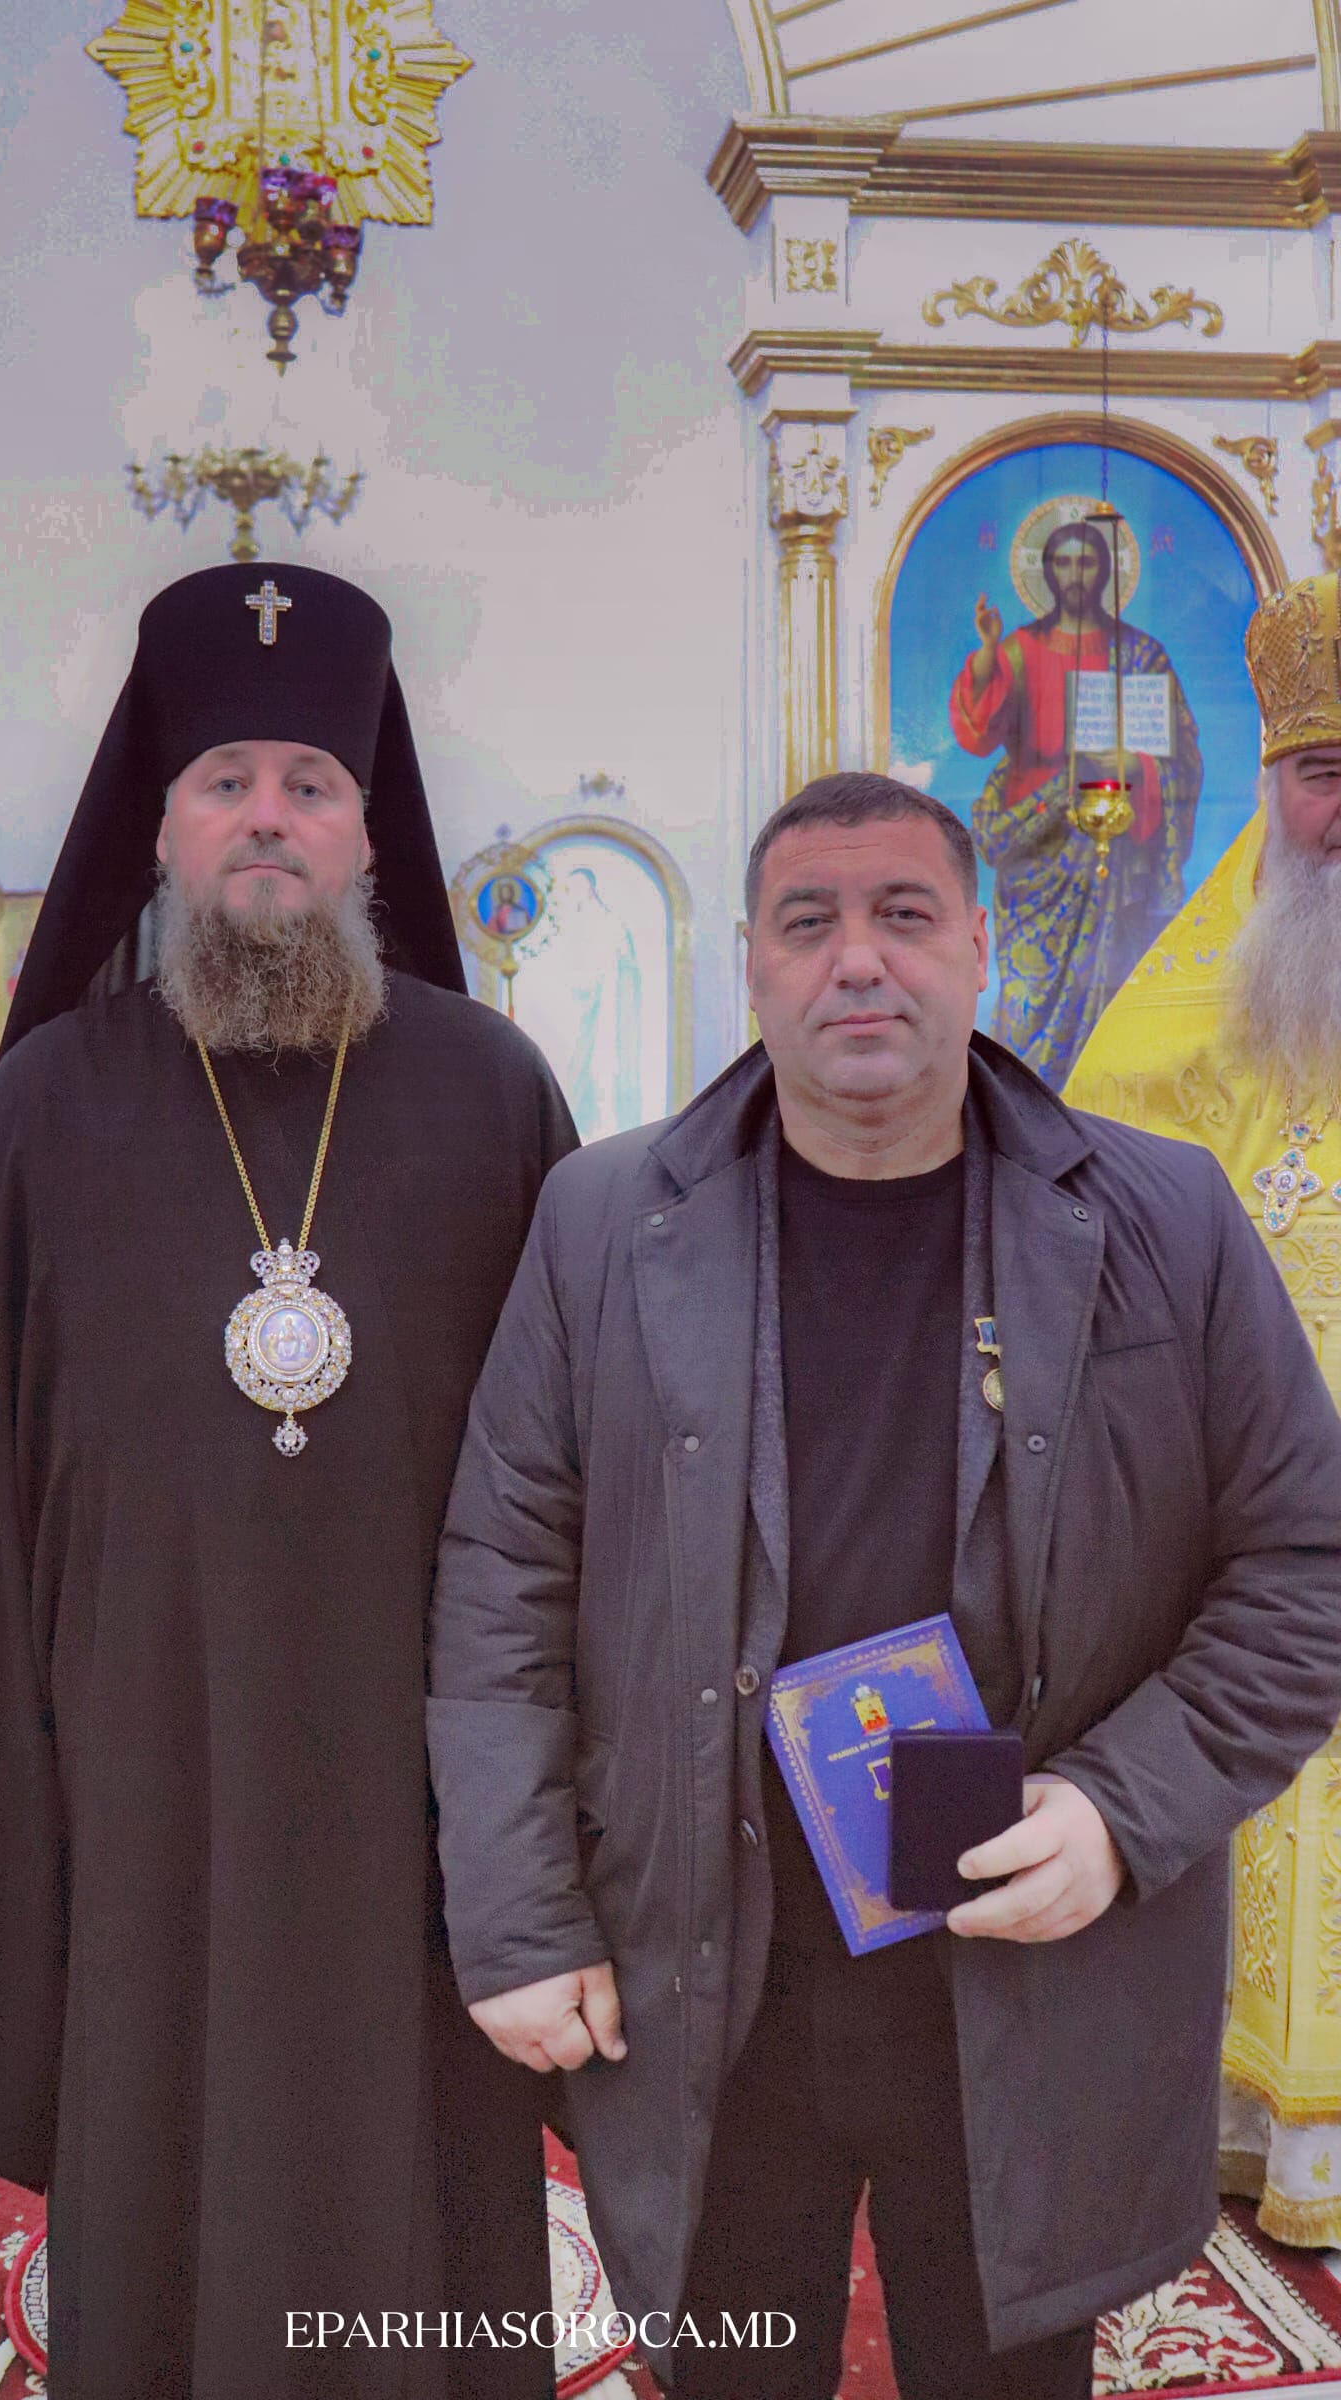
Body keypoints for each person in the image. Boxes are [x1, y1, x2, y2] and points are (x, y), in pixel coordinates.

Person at [427, 769, 1341, 2400]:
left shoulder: (1164, 1218)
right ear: (751, 965)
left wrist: (1120, 1812)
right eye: (810, 922)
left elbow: (1304, 1566)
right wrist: (515, 1914)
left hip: (1026, 1958)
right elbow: (504, 1574)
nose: (859, 958)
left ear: (980, 944)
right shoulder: (605, 1222)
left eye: (905, 914)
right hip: (707, 1963)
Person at [0, 561, 575, 2399]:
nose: (268, 816)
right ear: (162, 826)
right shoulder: (48, 1102)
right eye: (227, 780)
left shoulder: (495, 1091)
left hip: (421, 1771)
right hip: (138, 1762)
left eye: (310, 784)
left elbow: (577, 1473)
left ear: (367, 835)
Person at [1067, 565, 1341, 2249]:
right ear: (1271, 782)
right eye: (1325, 771)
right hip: (1253, 1524)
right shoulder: (1179, 1013)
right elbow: (1093, 1250)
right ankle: (1254, 2122)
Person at [950, 516, 1202, 1088]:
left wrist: (1136, 768)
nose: (1074, 575)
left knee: (1109, 1000)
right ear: (1045, 572)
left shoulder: (1141, 655)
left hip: (1114, 854)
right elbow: (978, 732)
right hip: (1034, 845)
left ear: (1107, 569)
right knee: (1028, 1002)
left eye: (1085, 561)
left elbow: (1183, 757)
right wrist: (987, 653)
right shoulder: (1018, 651)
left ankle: (1101, 1103)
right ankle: (1021, 1107)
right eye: (1062, 563)